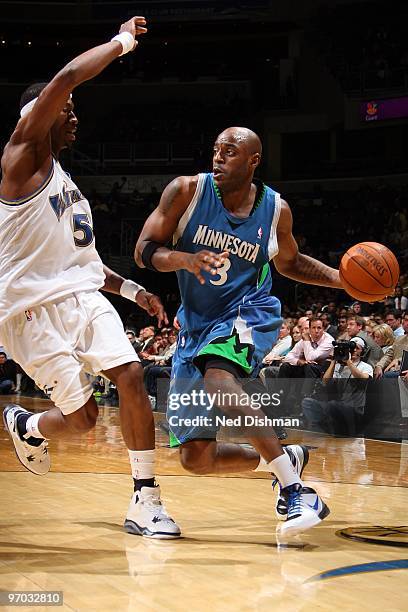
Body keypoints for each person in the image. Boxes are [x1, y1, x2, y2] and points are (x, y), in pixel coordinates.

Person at [0, 16, 180, 539]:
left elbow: (84, 264)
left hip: (80, 297)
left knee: (130, 374)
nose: (75, 118)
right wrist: (122, 42)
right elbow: (66, 78)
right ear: (41, 114)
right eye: (68, 112)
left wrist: (133, 290)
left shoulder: (67, 184)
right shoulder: (20, 158)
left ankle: (146, 499)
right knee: (82, 422)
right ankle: (27, 424)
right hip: (25, 310)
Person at [135, 126, 344, 537]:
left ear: (253, 161)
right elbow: (144, 250)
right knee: (196, 457)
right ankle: (281, 457)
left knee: (219, 380)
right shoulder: (186, 192)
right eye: (215, 150)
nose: (218, 158)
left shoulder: (275, 209)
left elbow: (291, 263)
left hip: (248, 311)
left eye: (229, 152)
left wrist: (342, 280)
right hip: (194, 327)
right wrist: (182, 259)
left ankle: (296, 492)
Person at [302, 337, 373, 436]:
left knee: (333, 405)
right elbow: (325, 382)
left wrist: (348, 361)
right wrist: (334, 361)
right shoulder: (338, 366)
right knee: (307, 402)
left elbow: (363, 378)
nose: (354, 350)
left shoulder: (366, 366)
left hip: (354, 409)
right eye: (351, 348)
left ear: (363, 351)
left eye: (357, 348)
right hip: (335, 406)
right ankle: (327, 427)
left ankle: (334, 427)